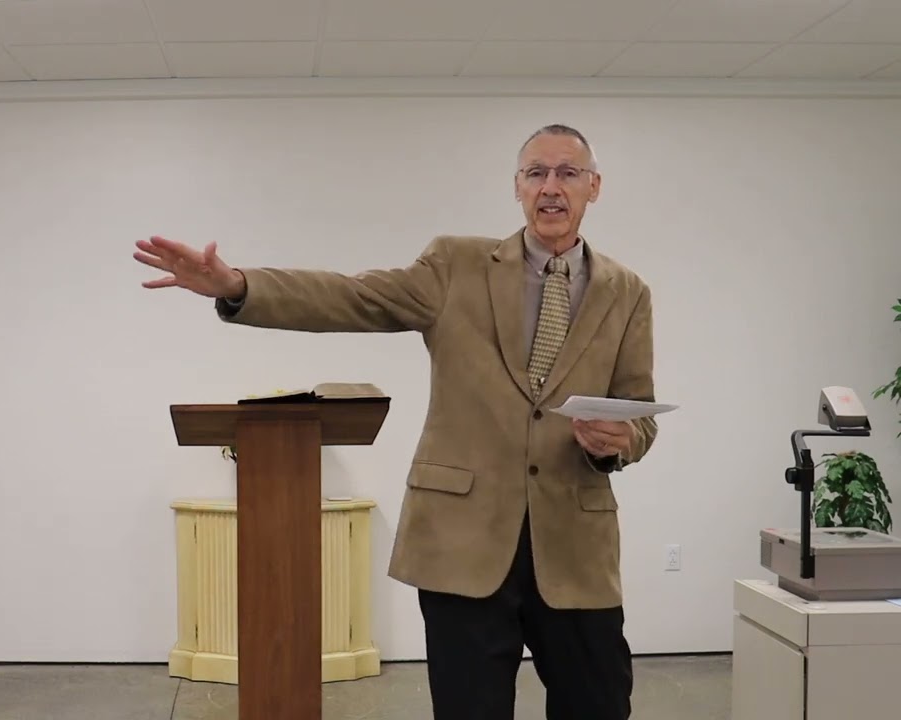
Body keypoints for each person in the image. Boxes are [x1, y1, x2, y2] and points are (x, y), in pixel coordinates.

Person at [133, 123, 658, 720]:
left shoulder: (628, 293)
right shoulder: (457, 265)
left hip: (576, 550)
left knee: (600, 705)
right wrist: (238, 286)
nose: (551, 186)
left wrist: (619, 441)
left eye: (568, 173)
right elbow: (353, 296)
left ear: (594, 186)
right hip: (460, 543)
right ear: (517, 187)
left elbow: (639, 412)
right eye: (536, 173)